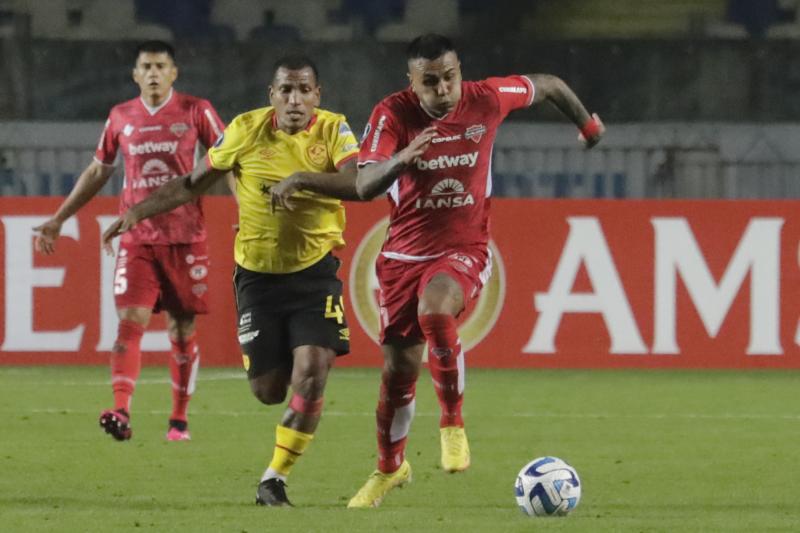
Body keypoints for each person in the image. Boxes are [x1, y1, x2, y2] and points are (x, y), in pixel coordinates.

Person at [347, 33, 605, 508]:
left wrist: (587, 124)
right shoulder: (392, 114)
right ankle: (390, 468)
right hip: (403, 257)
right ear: (411, 81)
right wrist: (404, 158)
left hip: (463, 246)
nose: (443, 89)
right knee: (398, 374)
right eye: (430, 82)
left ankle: (452, 423)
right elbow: (363, 183)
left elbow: (547, 84)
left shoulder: (485, 99)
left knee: (436, 310)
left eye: (450, 77)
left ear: (460, 71)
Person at [101, 55, 361, 507]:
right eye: (286, 90)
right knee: (268, 391)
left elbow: (355, 181)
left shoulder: (334, 129)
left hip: (316, 273)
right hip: (258, 279)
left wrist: (300, 179)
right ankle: (276, 429)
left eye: (304, 90)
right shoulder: (244, 129)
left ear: (318, 96)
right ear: (272, 96)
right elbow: (192, 182)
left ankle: (274, 479)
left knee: (314, 371)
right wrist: (136, 212)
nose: (295, 99)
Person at [34, 40, 226, 442]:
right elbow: (97, 171)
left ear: (174, 73)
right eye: (146, 67)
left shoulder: (196, 110)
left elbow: (233, 160)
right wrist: (58, 219)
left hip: (185, 237)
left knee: (181, 328)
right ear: (135, 74)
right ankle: (120, 409)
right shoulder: (121, 116)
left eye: (161, 66)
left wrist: (250, 213)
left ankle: (179, 421)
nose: (154, 73)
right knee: (130, 322)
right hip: (136, 237)